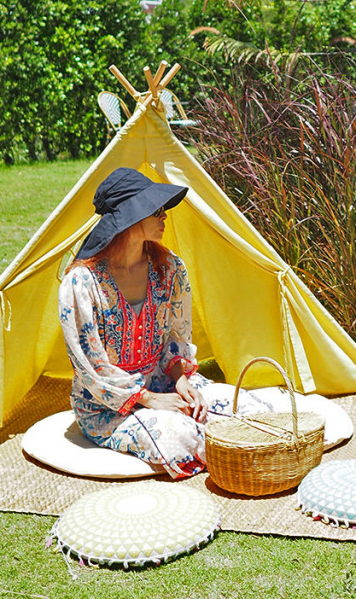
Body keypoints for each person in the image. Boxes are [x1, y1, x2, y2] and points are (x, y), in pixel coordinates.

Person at [58, 166, 262, 478]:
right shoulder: (82, 283)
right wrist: (150, 400)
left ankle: (247, 448)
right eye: (155, 209)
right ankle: (227, 455)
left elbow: (177, 337)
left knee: (242, 407)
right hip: (108, 406)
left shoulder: (169, 269)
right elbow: (91, 367)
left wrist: (181, 380)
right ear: (130, 217)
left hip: (164, 382)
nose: (164, 215)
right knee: (176, 433)